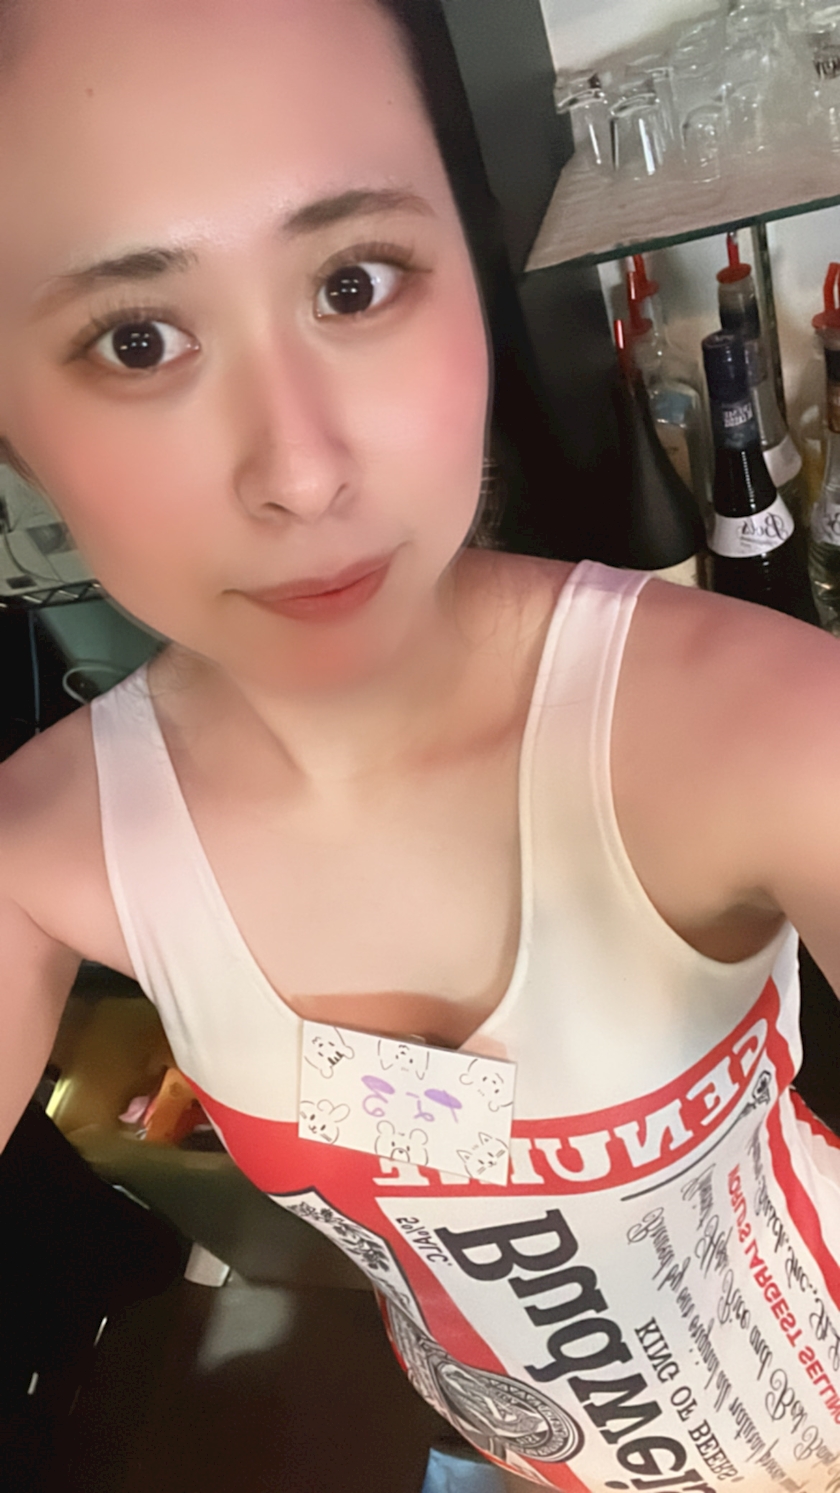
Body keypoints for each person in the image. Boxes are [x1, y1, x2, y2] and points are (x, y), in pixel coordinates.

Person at [1, 1, 840, 1488]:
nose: (301, 468)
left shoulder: (763, 728)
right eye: (138, 340)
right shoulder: (50, 849)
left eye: (354, 280)